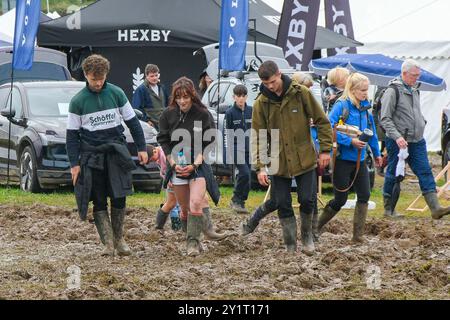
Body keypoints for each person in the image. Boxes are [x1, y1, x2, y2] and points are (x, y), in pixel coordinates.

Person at [66, 54, 148, 256]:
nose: (98, 82)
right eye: (94, 79)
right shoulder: (77, 102)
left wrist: (142, 147)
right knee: (99, 199)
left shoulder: (117, 93)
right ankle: (107, 244)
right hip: (91, 156)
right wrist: (74, 164)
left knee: (119, 196)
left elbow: (133, 123)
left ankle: (120, 240)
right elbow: (71, 136)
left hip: (116, 153)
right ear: (86, 75)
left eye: (101, 78)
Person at [251, 60, 333, 255]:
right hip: (277, 159)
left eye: (272, 81)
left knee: (307, 199)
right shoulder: (261, 103)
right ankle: (289, 244)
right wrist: (260, 166)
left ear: (279, 74)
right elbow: (259, 136)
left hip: (303, 156)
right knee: (282, 202)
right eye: (266, 84)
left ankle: (307, 238)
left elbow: (322, 121)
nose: (270, 86)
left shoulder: (301, 93)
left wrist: (324, 150)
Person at [157, 77, 224, 256]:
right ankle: (192, 236)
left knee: (196, 202)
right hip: (176, 165)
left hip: (198, 165)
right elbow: (163, 141)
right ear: (174, 97)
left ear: (192, 96)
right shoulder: (167, 114)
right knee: (185, 209)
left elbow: (210, 140)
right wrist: (173, 164)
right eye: (179, 97)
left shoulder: (203, 114)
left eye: (186, 97)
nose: (182, 101)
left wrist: (196, 163)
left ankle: (193, 243)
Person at [381, 59, 450, 220]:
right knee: (394, 173)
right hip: (398, 141)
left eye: (418, 75)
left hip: (417, 140)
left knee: (425, 171)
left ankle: (435, 208)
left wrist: (422, 122)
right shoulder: (392, 91)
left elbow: (414, 112)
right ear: (404, 73)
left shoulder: (415, 89)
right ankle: (388, 210)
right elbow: (385, 118)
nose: (417, 78)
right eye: (414, 75)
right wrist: (397, 137)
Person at [318, 73, 383, 243]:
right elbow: (328, 127)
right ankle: (315, 227)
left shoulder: (365, 109)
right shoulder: (342, 106)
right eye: (362, 90)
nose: (365, 93)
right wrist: (350, 141)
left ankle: (357, 236)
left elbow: (373, 134)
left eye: (367, 90)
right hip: (342, 159)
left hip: (360, 160)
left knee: (365, 195)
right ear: (352, 90)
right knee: (341, 200)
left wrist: (376, 154)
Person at [149, 145, 227, 241]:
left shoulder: (164, 152)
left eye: (151, 159)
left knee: (201, 199)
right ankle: (166, 227)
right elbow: (167, 169)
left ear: (154, 151)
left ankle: (205, 230)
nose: (153, 161)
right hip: (175, 176)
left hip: (182, 173)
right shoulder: (165, 150)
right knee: (174, 204)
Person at [225, 84, 253, 214]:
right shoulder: (230, 113)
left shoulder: (251, 110)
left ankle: (240, 201)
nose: (241, 99)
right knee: (245, 173)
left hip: (249, 147)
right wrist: (229, 152)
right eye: (238, 96)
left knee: (247, 176)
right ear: (234, 97)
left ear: (246, 97)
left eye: (243, 96)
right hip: (236, 147)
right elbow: (228, 133)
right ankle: (236, 198)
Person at [132, 64, 169, 130]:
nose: (155, 78)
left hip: (165, 125)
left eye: (156, 75)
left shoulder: (162, 88)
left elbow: (168, 105)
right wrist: (146, 121)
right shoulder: (141, 90)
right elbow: (136, 109)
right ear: (146, 76)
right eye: (152, 76)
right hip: (151, 128)